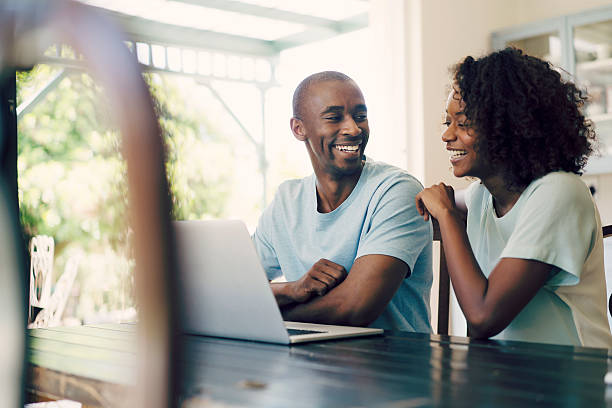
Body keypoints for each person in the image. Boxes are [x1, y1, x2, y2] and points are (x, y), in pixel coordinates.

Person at [415, 47, 612, 348]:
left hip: (574, 382)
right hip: (508, 379)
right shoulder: (482, 196)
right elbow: (421, 206)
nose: (447, 135)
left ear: (508, 125)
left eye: (464, 123)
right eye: (448, 123)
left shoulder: (560, 192)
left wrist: (447, 215)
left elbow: (483, 316)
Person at [252, 71, 432, 332]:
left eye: (360, 116)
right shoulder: (286, 202)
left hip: (393, 364)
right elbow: (238, 288)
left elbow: (355, 307)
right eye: (334, 118)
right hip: (311, 362)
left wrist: (271, 313)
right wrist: (293, 289)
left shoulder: (397, 191)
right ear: (298, 128)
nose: (353, 128)